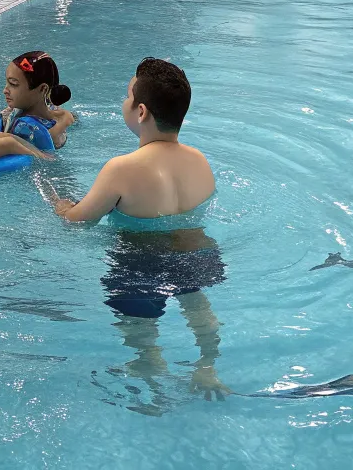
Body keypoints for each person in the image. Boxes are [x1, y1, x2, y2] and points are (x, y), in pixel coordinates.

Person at [48, 58, 227, 407]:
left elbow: (78, 221)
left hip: (139, 259)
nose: (123, 103)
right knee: (197, 302)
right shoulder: (200, 161)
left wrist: (60, 206)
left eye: (126, 96)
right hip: (197, 248)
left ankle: (151, 369)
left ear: (141, 111)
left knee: (139, 329)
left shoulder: (122, 168)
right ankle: (207, 365)